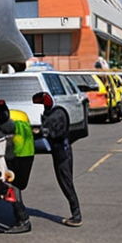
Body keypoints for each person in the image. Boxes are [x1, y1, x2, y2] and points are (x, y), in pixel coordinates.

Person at [39, 92, 82, 227]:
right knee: (65, 182)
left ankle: (77, 215)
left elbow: (53, 132)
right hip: (62, 152)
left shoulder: (56, 117)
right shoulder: (55, 113)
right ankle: (76, 214)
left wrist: (43, 132)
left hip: (62, 154)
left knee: (66, 183)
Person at [0, 105, 35, 234]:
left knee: (13, 186)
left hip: (19, 155)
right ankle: (20, 219)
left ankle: (23, 220)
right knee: (16, 185)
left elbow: (8, 144)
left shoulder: (6, 123)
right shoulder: (20, 114)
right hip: (29, 152)